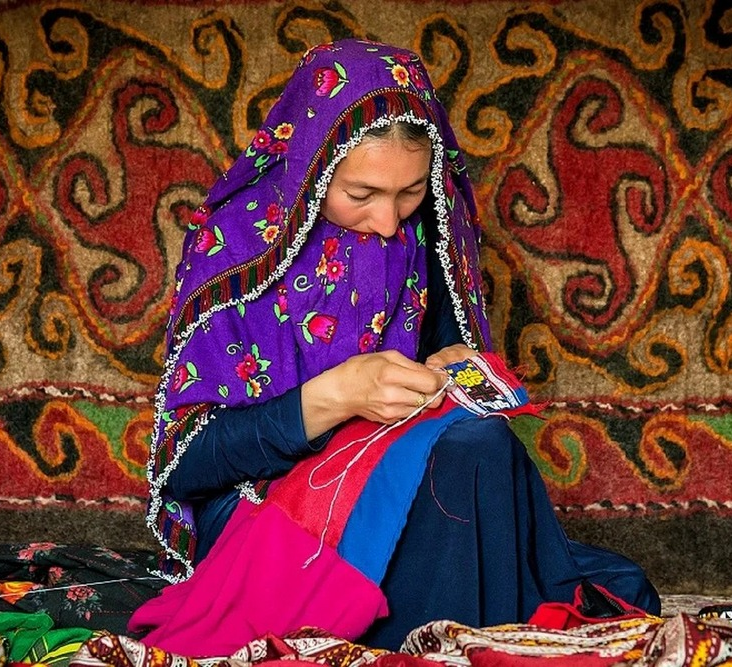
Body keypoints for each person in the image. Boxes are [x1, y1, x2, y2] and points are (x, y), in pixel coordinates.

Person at [128, 38, 660, 655]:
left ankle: (456, 620)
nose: (388, 222)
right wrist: (331, 398)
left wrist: (450, 363)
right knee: (553, 578)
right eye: (361, 194)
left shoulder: (417, 236)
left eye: (408, 193)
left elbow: (439, 345)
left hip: (386, 477)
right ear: (309, 163)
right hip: (268, 513)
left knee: (482, 450)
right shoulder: (233, 250)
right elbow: (185, 465)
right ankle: (469, 627)